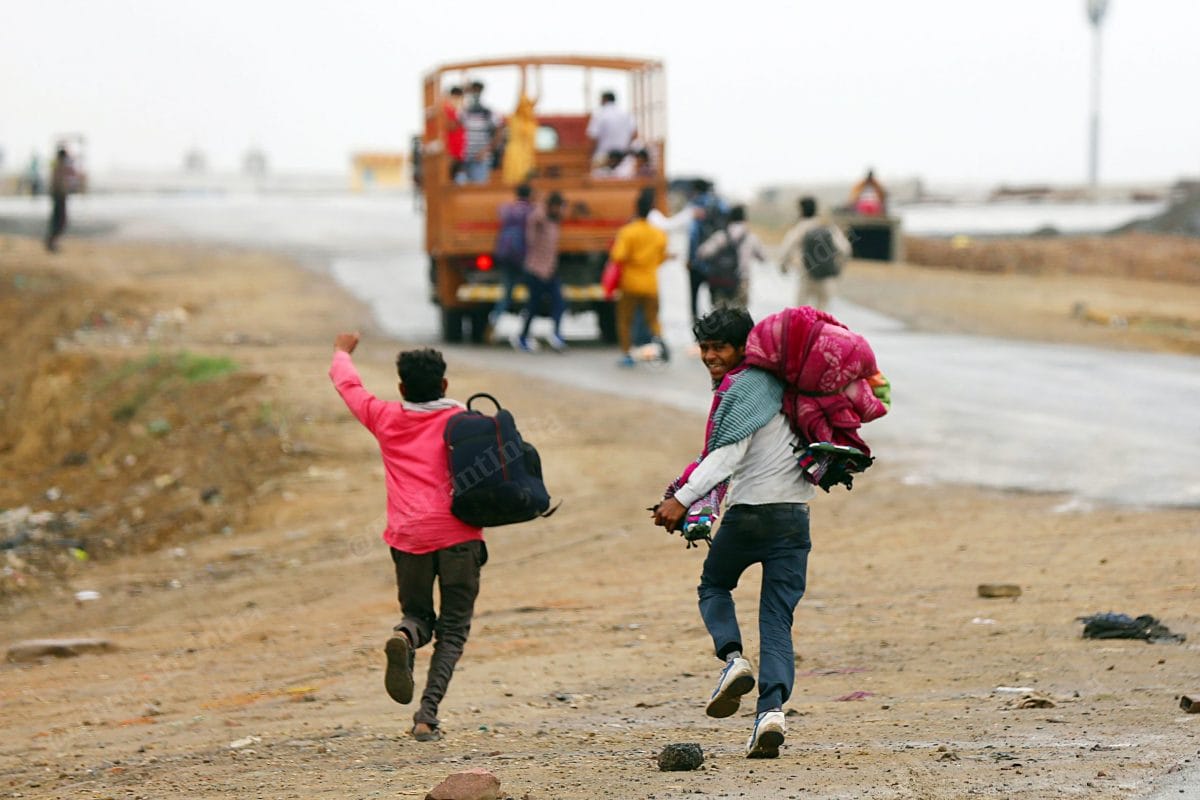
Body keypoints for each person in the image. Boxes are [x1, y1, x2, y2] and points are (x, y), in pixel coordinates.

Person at [652, 306, 814, 759]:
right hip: (795, 517)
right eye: (703, 347)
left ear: (744, 346)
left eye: (718, 347)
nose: (709, 356)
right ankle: (772, 713)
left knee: (714, 585)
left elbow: (725, 457)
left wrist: (681, 499)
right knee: (777, 618)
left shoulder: (746, 388)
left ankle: (733, 659)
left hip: (750, 516)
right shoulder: (785, 386)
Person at [328, 335, 487, 743]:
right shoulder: (465, 422)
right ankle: (426, 717)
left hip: (408, 537)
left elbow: (349, 387)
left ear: (401, 389)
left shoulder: (385, 417)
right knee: (453, 630)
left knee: (418, 617)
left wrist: (342, 353)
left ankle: (404, 637)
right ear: (445, 385)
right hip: (459, 537)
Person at [609, 192, 668, 366]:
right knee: (653, 319)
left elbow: (618, 256)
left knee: (625, 320)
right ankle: (659, 342)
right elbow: (661, 257)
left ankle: (627, 354)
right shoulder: (658, 234)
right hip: (651, 283)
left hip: (630, 283)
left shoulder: (628, 232)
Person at [513, 191, 567, 353]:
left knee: (559, 303)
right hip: (535, 270)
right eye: (557, 207)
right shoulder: (539, 219)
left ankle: (556, 335)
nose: (560, 210)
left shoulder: (554, 221)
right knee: (533, 306)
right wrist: (541, 208)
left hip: (550, 270)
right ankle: (522, 337)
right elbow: (531, 228)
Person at [778, 196, 851, 310]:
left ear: (801, 210)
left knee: (801, 313)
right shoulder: (827, 227)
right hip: (826, 276)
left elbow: (786, 249)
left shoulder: (800, 228)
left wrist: (784, 266)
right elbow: (845, 249)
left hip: (806, 274)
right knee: (823, 313)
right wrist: (838, 268)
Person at [694, 205, 766, 309]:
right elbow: (763, 257)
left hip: (720, 280)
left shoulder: (721, 235)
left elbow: (702, 252)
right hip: (742, 281)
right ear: (744, 218)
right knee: (740, 317)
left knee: (719, 316)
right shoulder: (751, 238)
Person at [491, 183, 535, 324]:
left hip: (504, 253)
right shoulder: (530, 211)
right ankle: (526, 319)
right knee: (531, 289)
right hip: (521, 255)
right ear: (529, 195)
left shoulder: (507, 209)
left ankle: (494, 320)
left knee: (507, 291)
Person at [686, 180, 728, 323]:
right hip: (715, 263)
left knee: (694, 297)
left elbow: (693, 234)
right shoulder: (720, 204)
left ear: (696, 190)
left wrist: (690, 258)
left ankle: (695, 327)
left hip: (697, 263)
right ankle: (716, 326)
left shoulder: (696, 206)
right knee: (714, 298)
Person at [461, 81, 503, 184]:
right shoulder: (464, 113)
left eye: (477, 91)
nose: (474, 94)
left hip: (481, 158)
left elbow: (499, 133)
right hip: (464, 158)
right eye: (472, 91)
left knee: (477, 187)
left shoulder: (488, 113)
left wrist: (486, 151)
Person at [586, 90, 636, 165]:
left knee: (601, 175)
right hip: (623, 157)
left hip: (604, 157)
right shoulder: (625, 114)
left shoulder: (599, 114)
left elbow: (593, 137)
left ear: (604, 99)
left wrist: (590, 154)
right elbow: (634, 134)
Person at [502, 94, 538, 186]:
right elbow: (519, 99)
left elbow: (537, 98)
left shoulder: (531, 121)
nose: (526, 109)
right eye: (524, 106)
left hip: (527, 152)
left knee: (527, 179)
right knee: (514, 179)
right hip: (515, 151)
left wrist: (537, 80)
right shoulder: (515, 119)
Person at [44, 146, 74, 253]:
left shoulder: (56, 165)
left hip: (58, 196)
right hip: (59, 196)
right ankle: (51, 243)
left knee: (58, 220)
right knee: (60, 221)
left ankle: (52, 242)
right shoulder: (59, 166)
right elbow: (61, 182)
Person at [443, 86, 467, 182]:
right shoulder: (446, 110)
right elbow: (450, 126)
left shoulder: (459, 111)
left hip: (460, 151)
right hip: (450, 151)